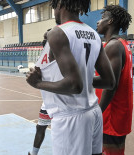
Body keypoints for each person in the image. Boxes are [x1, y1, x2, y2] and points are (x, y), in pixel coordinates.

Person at [26, 0, 116, 154]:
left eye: (54, 6)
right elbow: (109, 82)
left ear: (60, 4)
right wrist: (85, 79)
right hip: (93, 112)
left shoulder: (58, 32)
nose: (54, 11)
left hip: (71, 118)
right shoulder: (93, 34)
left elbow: (74, 85)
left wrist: (39, 83)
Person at [96, 5, 132, 155]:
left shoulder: (113, 46)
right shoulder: (123, 44)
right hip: (119, 112)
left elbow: (111, 85)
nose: (98, 22)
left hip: (111, 114)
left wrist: (98, 113)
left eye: (102, 18)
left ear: (110, 21)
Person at [28, 29, 52, 155]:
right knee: (40, 127)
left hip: (62, 100)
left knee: (61, 131)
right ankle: (33, 153)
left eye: (46, 38)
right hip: (48, 101)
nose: (44, 41)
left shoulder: (64, 55)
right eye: (43, 38)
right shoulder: (42, 57)